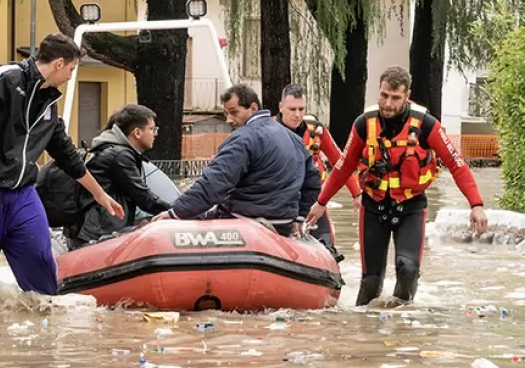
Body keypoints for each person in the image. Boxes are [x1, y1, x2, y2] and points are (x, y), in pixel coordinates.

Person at [0, 33, 123, 311]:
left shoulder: (49, 103)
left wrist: (100, 195)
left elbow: (67, 154)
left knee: (40, 261)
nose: (72, 76)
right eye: (72, 69)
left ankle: (43, 342)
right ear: (59, 63)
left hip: (22, 193)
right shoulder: (6, 78)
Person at [305, 66, 489, 307]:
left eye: (395, 98)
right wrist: (321, 202)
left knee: (407, 268)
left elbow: (457, 164)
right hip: (373, 206)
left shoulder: (426, 125)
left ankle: (403, 328)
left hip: (410, 207)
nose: (388, 104)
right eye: (383, 95)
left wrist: (476, 204)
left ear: (407, 96)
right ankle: (366, 335)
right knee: (370, 283)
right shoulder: (364, 125)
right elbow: (342, 168)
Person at [153, 83, 320, 234]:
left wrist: (174, 212)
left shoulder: (243, 138)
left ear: (253, 108)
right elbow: (312, 183)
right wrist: (298, 217)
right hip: (282, 223)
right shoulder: (295, 139)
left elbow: (214, 183)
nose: (229, 120)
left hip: (243, 221)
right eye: (226, 114)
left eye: (234, 112)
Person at [63, 104, 171, 248]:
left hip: (88, 231)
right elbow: (143, 197)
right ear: (137, 133)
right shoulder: (120, 156)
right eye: (152, 129)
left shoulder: (110, 150)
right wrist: (179, 210)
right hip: (97, 234)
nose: (155, 134)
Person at [275, 83, 358, 258]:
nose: (297, 115)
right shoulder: (266, 131)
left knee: (328, 247)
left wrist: (357, 194)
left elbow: (341, 162)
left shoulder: (316, 131)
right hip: (279, 201)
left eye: (301, 109)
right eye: (292, 109)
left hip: (313, 202)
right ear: (281, 107)